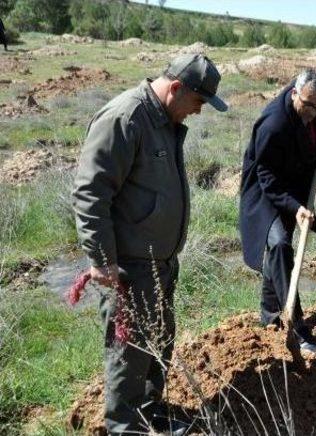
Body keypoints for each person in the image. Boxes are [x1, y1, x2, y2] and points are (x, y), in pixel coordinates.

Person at [73, 54, 228, 434]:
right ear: (176, 88)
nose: (199, 112)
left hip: (160, 264)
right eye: (198, 102)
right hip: (128, 266)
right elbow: (91, 192)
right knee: (129, 354)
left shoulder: (164, 119)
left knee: (158, 343)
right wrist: (102, 259)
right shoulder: (126, 118)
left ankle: (149, 414)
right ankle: (125, 428)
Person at [239, 68, 316, 353]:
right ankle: (297, 327)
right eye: (308, 105)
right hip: (264, 194)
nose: (314, 111)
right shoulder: (274, 124)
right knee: (280, 245)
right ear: (294, 93)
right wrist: (295, 207)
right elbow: (266, 178)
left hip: (292, 188)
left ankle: (269, 316)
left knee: (278, 254)